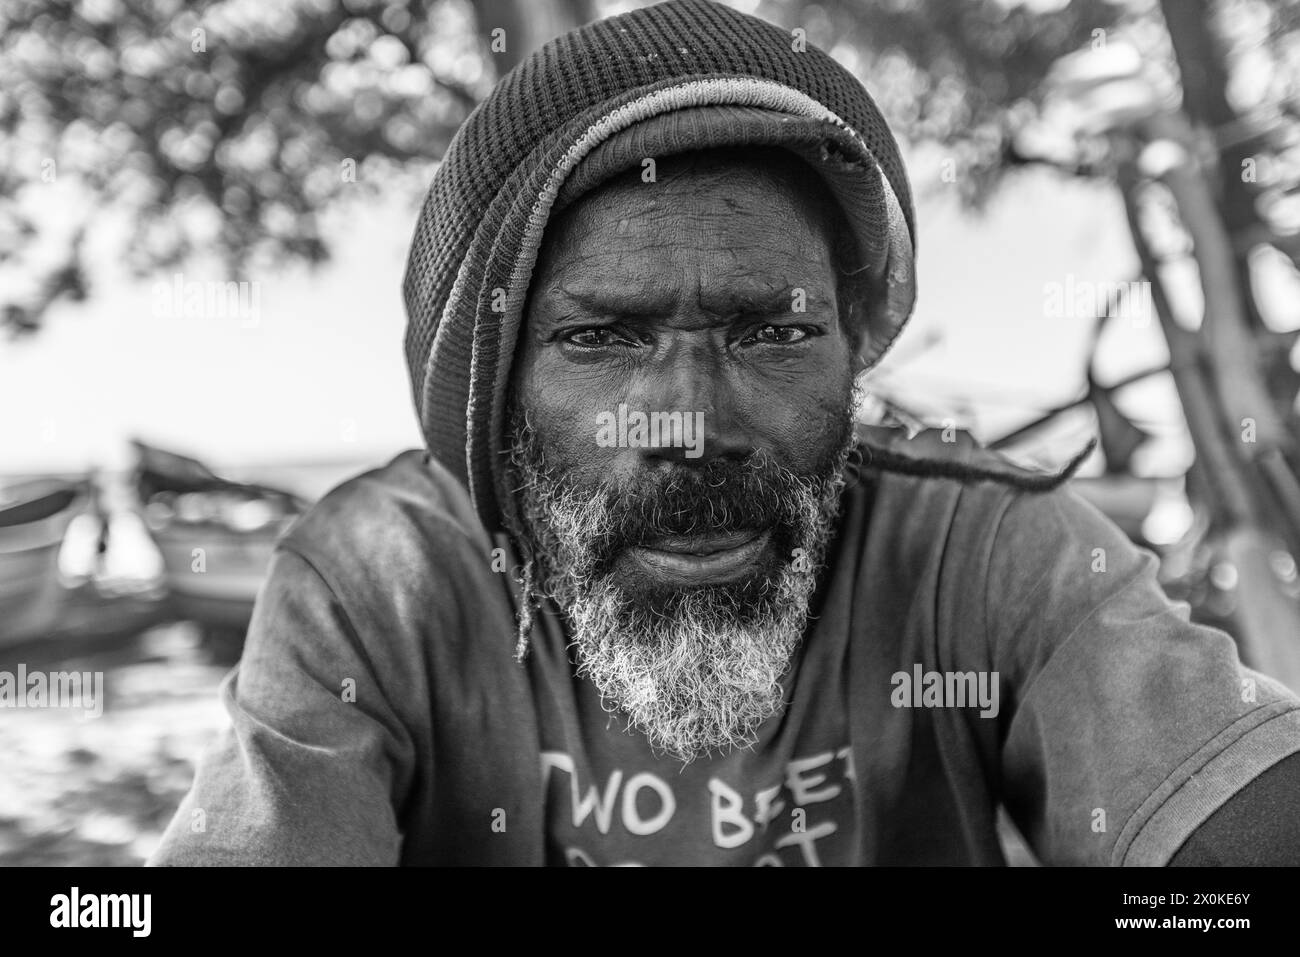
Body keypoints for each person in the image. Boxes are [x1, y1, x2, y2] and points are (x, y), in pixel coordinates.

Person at [151, 0, 1300, 866]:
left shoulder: (985, 548)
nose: (692, 425)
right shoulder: (374, 583)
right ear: (489, 392)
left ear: (854, 352)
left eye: (771, 332)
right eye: (601, 339)